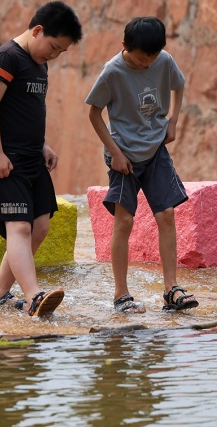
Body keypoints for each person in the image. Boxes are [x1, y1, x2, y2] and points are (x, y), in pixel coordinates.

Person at [85, 16, 200, 314]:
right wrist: (115, 152)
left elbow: (180, 85)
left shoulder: (163, 61)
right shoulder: (112, 72)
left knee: (167, 215)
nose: (146, 64)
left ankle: (171, 289)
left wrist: (173, 121)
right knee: (124, 221)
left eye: (152, 57)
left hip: (156, 150)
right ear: (125, 47)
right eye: (140, 59)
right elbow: (94, 114)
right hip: (124, 157)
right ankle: (121, 294)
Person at [0, 1, 82, 318]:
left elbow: (27, 111)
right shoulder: (7, 57)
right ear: (37, 30)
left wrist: (43, 146)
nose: (54, 55)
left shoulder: (40, 64)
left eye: (61, 52)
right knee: (20, 228)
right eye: (53, 46)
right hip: (5, 162)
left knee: (40, 227)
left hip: (31, 159)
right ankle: (34, 296)